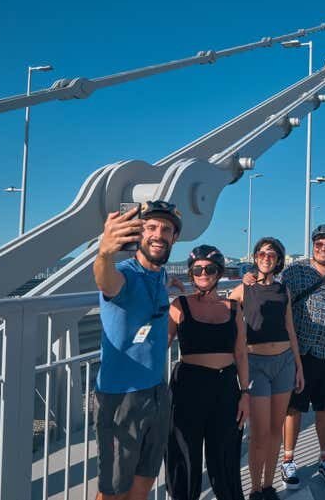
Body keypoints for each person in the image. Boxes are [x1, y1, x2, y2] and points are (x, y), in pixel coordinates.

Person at [93, 200, 182, 500]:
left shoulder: (158, 275)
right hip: (121, 398)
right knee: (112, 492)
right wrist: (104, 253)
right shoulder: (124, 274)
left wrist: (170, 282)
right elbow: (105, 280)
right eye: (150, 227)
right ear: (137, 234)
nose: (158, 234)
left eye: (166, 230)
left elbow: (157, 277)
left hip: (157, 391)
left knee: (143, 484)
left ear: (174, 238)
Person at [165, 245, 249, 500]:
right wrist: (159, 294)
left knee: (225, 458)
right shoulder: (180, 305)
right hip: (188, 386)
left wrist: (245, 393)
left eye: (209, 269)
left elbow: (241, 353)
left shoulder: (233, 308)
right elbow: (159, 345)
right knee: (184, 458)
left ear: (218, 273)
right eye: (197, 270)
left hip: (225, 387)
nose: (203, 274)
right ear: (191, 274)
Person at [279, 225, 325, 489]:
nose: (323, 248)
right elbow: (272, 293)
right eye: (319, 244)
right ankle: (288, 461)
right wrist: (251, 279)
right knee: (293, 409)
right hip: (299, 354)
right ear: (313, 246)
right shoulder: (294, 271)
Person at [229, 237, 305, 500]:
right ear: (255, 258)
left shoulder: (284, 291)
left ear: (278, 260)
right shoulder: (244, 289)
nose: (266, 258)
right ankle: (254, 489)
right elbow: (220, 308)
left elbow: (290, 330)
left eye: (271, 254)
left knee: (275, 430)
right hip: (255, 364)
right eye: (261, 254)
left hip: (284, 362)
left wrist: (299, 367)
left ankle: (269, 485)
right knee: (259, 433)